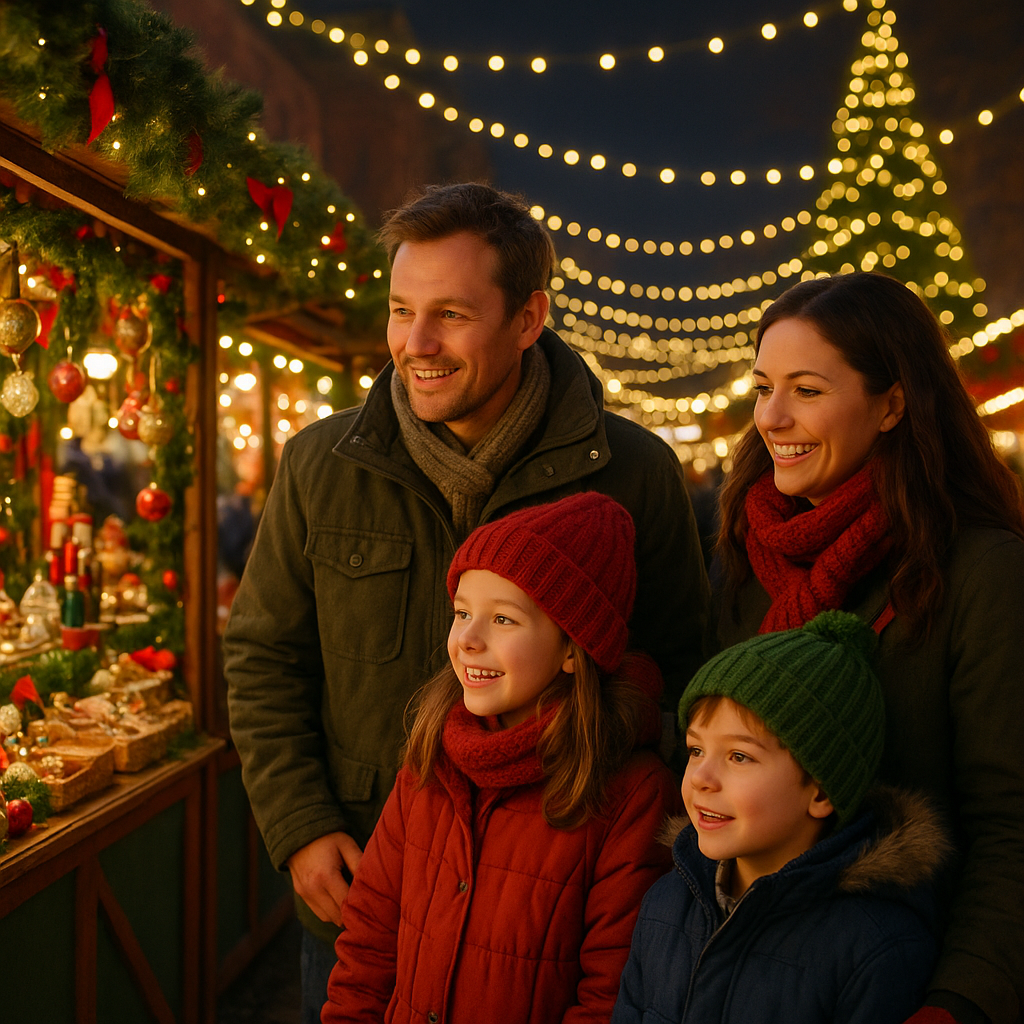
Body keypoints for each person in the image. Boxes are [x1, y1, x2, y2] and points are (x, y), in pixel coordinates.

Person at [222, 182, 710, 1021]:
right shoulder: (318, 464)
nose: (416, 343)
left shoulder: (632, 472)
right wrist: (299, 824)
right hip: (361, 892)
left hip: (549, 917)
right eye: (401, 309)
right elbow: (264, 655)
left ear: (528, 318)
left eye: (450, 313)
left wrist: (624, 842)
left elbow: (684, 677)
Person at [714, 271, 1024, 1024]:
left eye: (808, 390)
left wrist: (959, 1003)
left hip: (902, 979)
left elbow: (1010, 822)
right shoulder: (739, 557)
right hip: (737, 970)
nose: (773, 418)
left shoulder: (982, 571)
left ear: (892, 403)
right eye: (762, 387)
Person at [322, 492, 680, 1023]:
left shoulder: (630, 793)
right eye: (462, 612)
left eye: (504, 620)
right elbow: (369, 942)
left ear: (572, 647)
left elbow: (611, 996)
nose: (466, 639)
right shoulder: (430, 756)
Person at [613, 611, 949, 1024]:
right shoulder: (665, 904)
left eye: (739, 756)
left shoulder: (875, 949)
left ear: (821, 790)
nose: (700, 777)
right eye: (696, 750)